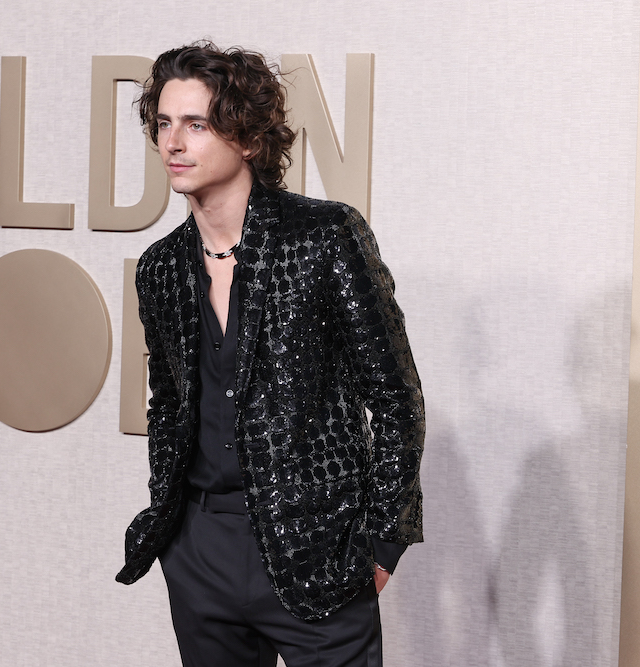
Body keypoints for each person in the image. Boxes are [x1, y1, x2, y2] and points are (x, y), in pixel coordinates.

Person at [116, 41, 425, 667]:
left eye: (196, 124)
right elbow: (170, 408)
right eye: (164, 123)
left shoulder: (324, 237)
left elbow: (396, 398)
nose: (172, 142)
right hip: (200, 551)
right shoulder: (159, 270)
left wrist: (382, 544)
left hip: (317, 548)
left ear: (248, 138)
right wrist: (175, 537)